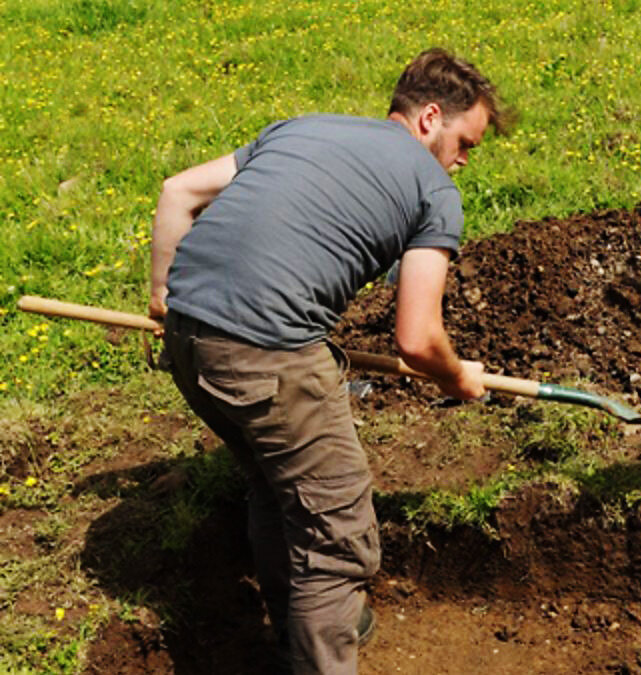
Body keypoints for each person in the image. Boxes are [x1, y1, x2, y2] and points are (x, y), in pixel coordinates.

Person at [148, 48, 508, 674]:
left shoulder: (303, 127)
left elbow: (177, 192)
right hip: (267, 354)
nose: (464, 160)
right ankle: (319, 651)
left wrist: (161, 298)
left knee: (274, 485)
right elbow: (418, 340)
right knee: (339, 533)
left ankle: (299, 632)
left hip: (187, 341)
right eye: (466, 142)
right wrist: (457, 377)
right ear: (429, 118)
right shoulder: (433, 190)